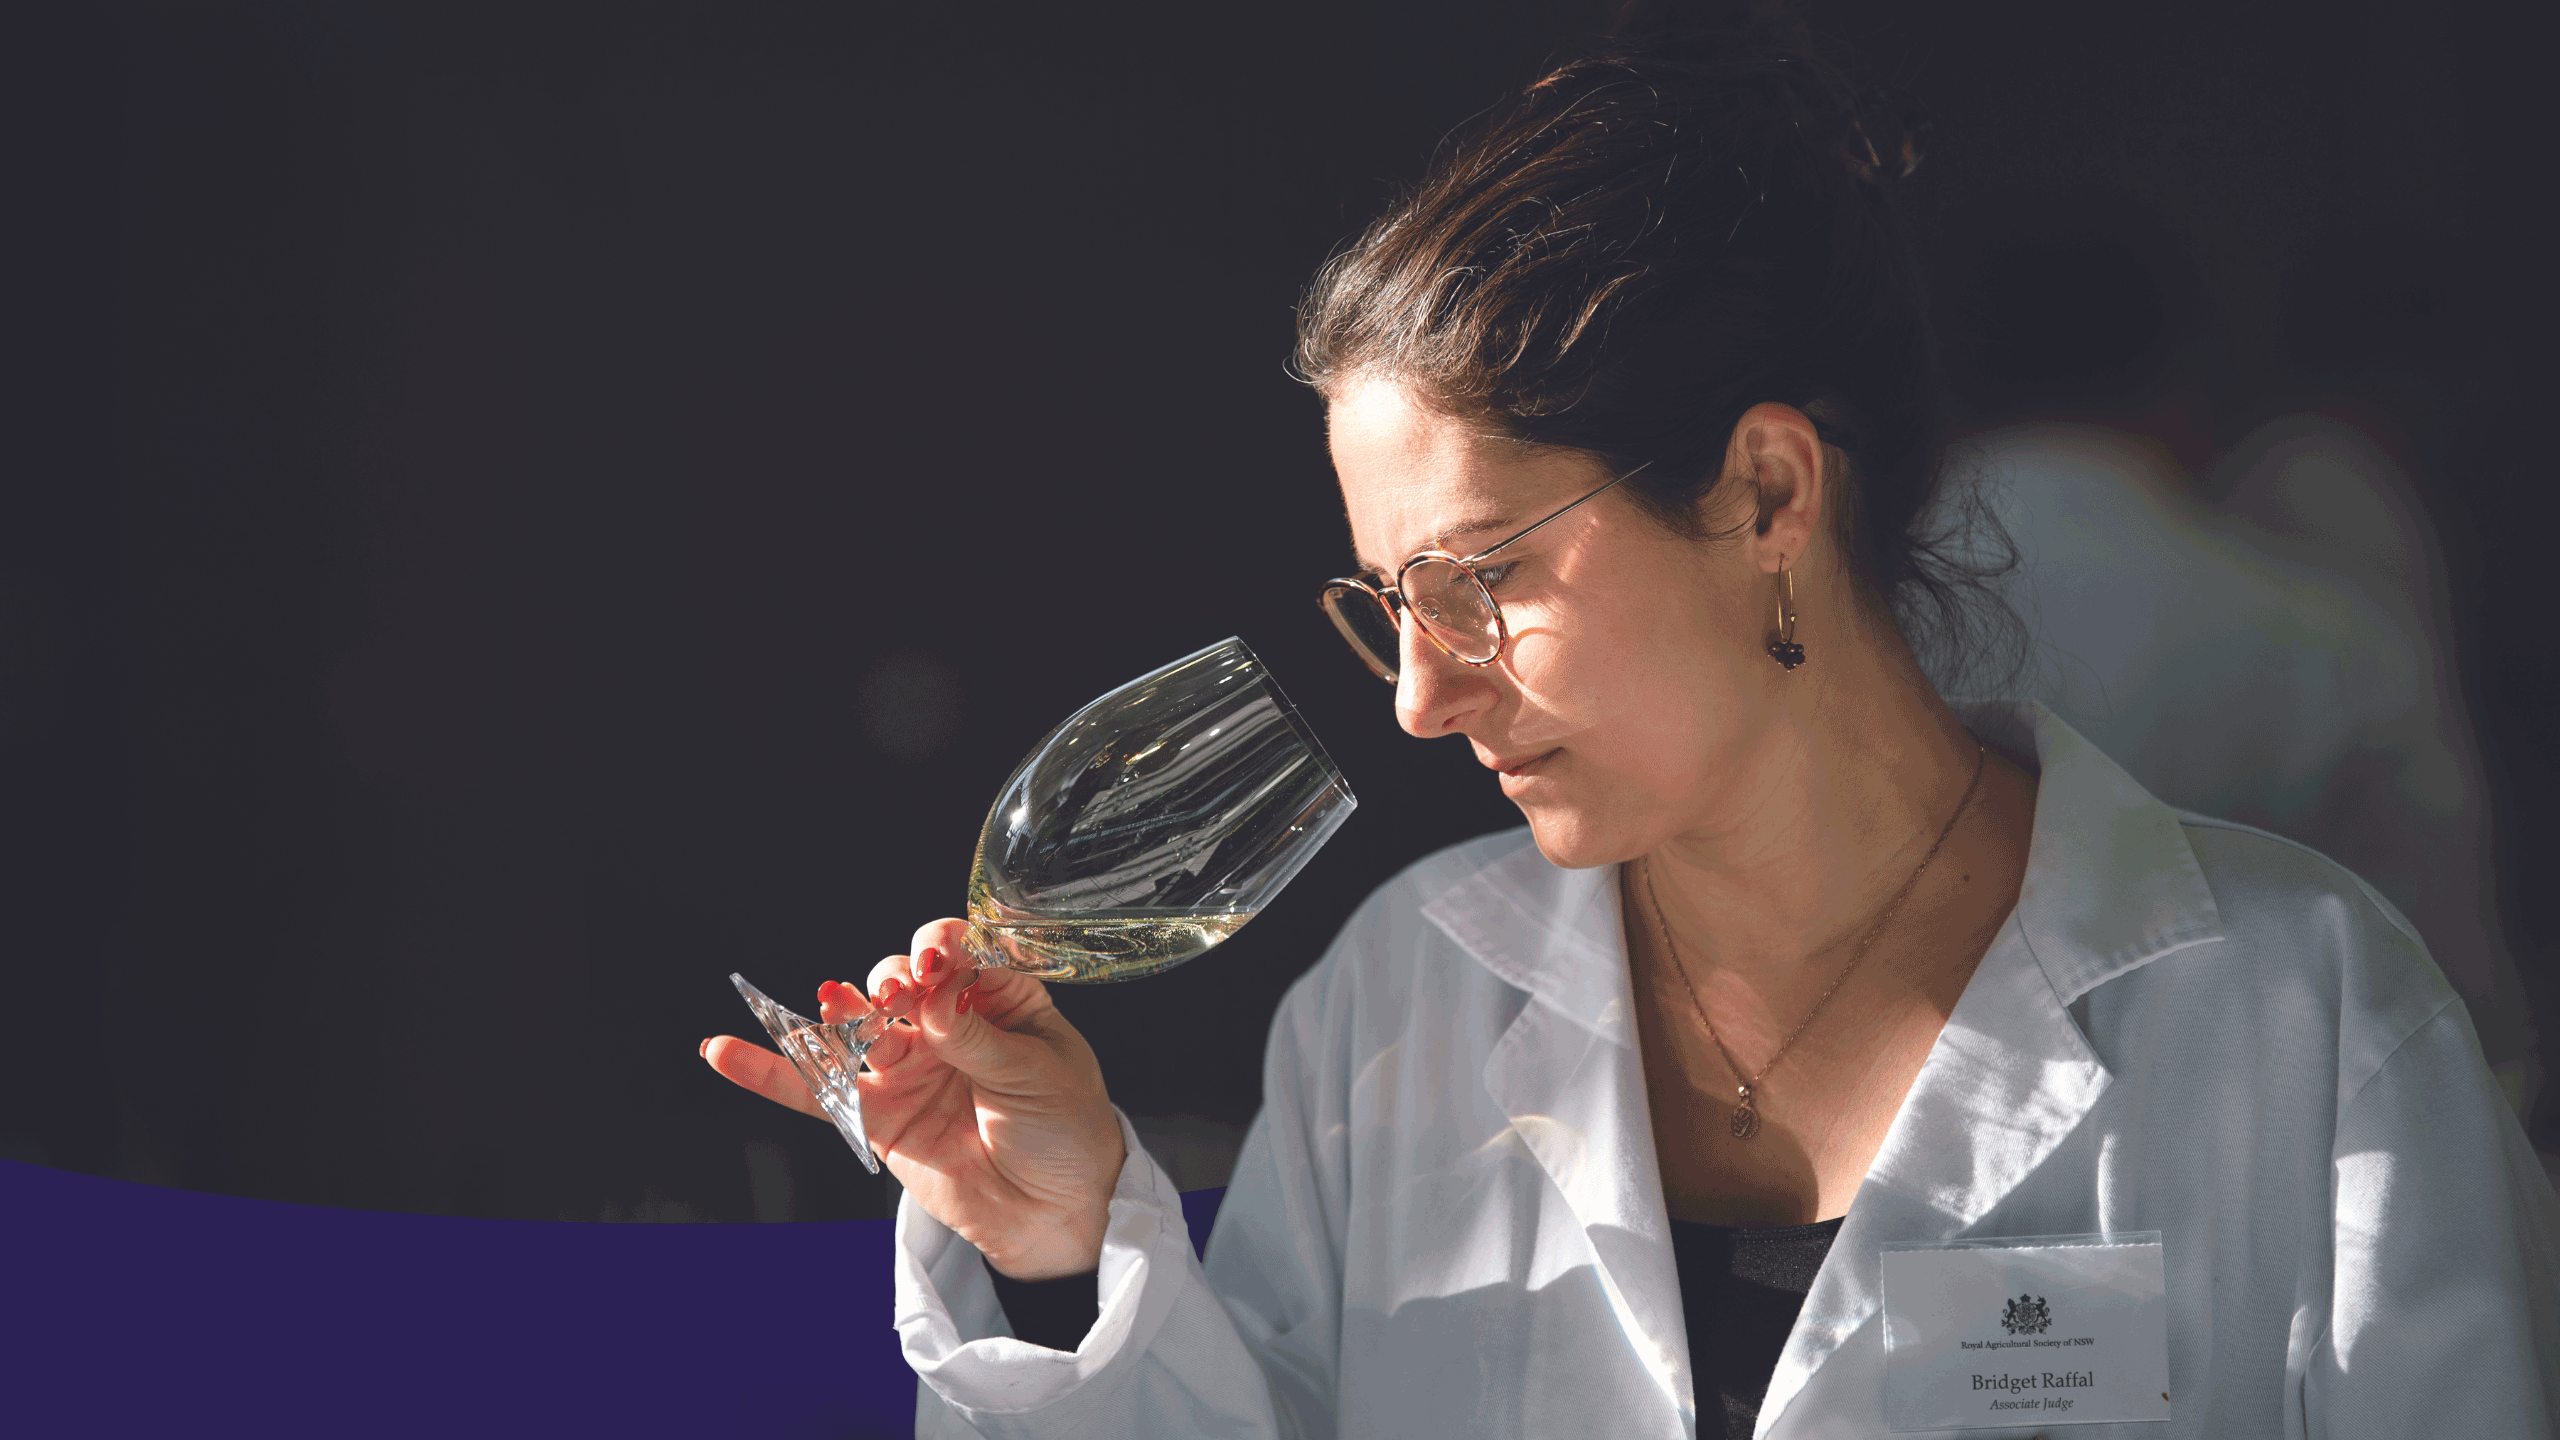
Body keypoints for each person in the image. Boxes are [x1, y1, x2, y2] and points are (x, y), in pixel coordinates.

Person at [701, 20, 2560, 1438]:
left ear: (1764, 493)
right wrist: (1051, 1243)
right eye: (1387, 605)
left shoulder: (2309, 1027)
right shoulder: (1399, 1011)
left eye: (1477, 582)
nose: (1422, 700)